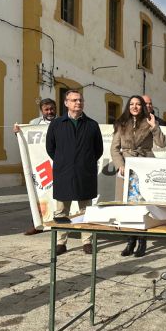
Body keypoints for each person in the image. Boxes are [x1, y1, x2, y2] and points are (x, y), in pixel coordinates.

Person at [46, 90, 103, 256]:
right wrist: (64, 161)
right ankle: (61, 243)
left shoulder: (92, 125)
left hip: (85, 173)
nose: (78, 103)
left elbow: (98, 149)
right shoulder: (56, 124)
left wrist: (84, 161)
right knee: (62, 211)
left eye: (80, 100)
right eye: (74, 100)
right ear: (66, 103)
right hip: (63, 173)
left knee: (86, 211)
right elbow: (50, 148)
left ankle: (87, 242)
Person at [110, 95, 166, 257]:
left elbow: (162, 144)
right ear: (128, 107)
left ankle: (142, 241)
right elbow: (114, 148)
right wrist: (120, 164)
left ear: (143, 106)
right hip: (127, 168)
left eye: (138, 104)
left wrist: (154, 126)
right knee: (128, 207)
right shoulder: (121, 124)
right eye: (132, 104)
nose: (135, 107)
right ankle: (130, 241)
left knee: (143, 206)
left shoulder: (149, 122)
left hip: (145, 167)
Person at [14, 98, 57, 235]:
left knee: (59, 195)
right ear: (41, 111)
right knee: (40, 194)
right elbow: (24, 139)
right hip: (40, 165)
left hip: (58, 162)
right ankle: (37, 224)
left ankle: (60, 223)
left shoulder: (62, 122)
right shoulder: (34, 124)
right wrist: (18, 132)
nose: (50, 111)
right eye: (46, 109)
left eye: (52, 109)